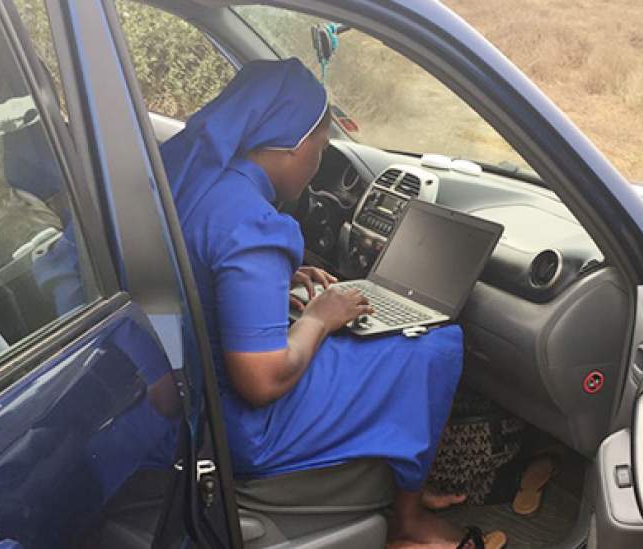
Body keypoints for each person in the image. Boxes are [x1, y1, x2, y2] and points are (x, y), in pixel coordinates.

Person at [161, 58, 500, 548]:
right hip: (246, 425)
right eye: (321, 148)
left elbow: (202, 272)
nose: (319, 164)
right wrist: (320, 317)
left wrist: (279, 281)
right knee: (435, 343)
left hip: (196, 395)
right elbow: (260, 380)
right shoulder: (252, 222)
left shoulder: (198, 184)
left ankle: (404, 484)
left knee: (364, 334)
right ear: (297, 145)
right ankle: (408, 524)